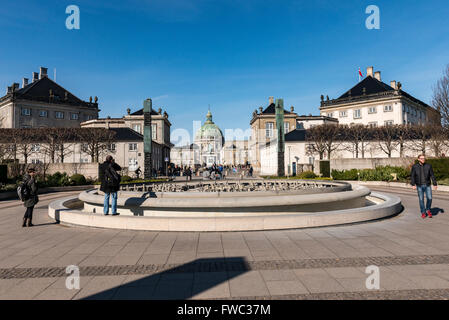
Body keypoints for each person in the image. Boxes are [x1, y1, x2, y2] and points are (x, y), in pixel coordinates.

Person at [410, 154, 437, 219]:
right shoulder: (415, 166)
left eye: (424, 158)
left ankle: (428, 209)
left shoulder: (428, 166)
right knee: (421, 200)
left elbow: (432, 175)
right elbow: (412, 176)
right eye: (421, 158)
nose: (423, 159)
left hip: (427, 185)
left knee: (430, 198)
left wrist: (435, 184)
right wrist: (413, 184)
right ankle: (423, 212)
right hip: (419, 186)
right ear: (418, 159)